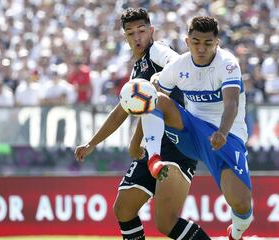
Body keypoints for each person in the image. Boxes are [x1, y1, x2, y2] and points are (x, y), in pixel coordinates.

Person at [74, 8, 210, 240]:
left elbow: (177, 62)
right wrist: (92, 143)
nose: (137, 37)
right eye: (130, 33)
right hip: (153, 146)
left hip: (177, 143)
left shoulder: (157, 50)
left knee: (165, 223)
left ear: (151, 31)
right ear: (125, 38)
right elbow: (123, 111)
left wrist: (162, 78)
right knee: (123, 208)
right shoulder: (138, 70)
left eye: (141, 30)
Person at [141, 16, 253, 240]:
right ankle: (154, 158)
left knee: (241, 205)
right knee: (153, 97)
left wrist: (222, 131)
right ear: (187, 41)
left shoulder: (228, 63)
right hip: (191, 131)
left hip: (226, 135)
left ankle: (236, 234)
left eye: (208, 43)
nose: (201, 48)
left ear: (217, 43)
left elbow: (231, 103)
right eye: (195, 42)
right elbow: (152, 101)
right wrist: (138, 142)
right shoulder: (178, 66)